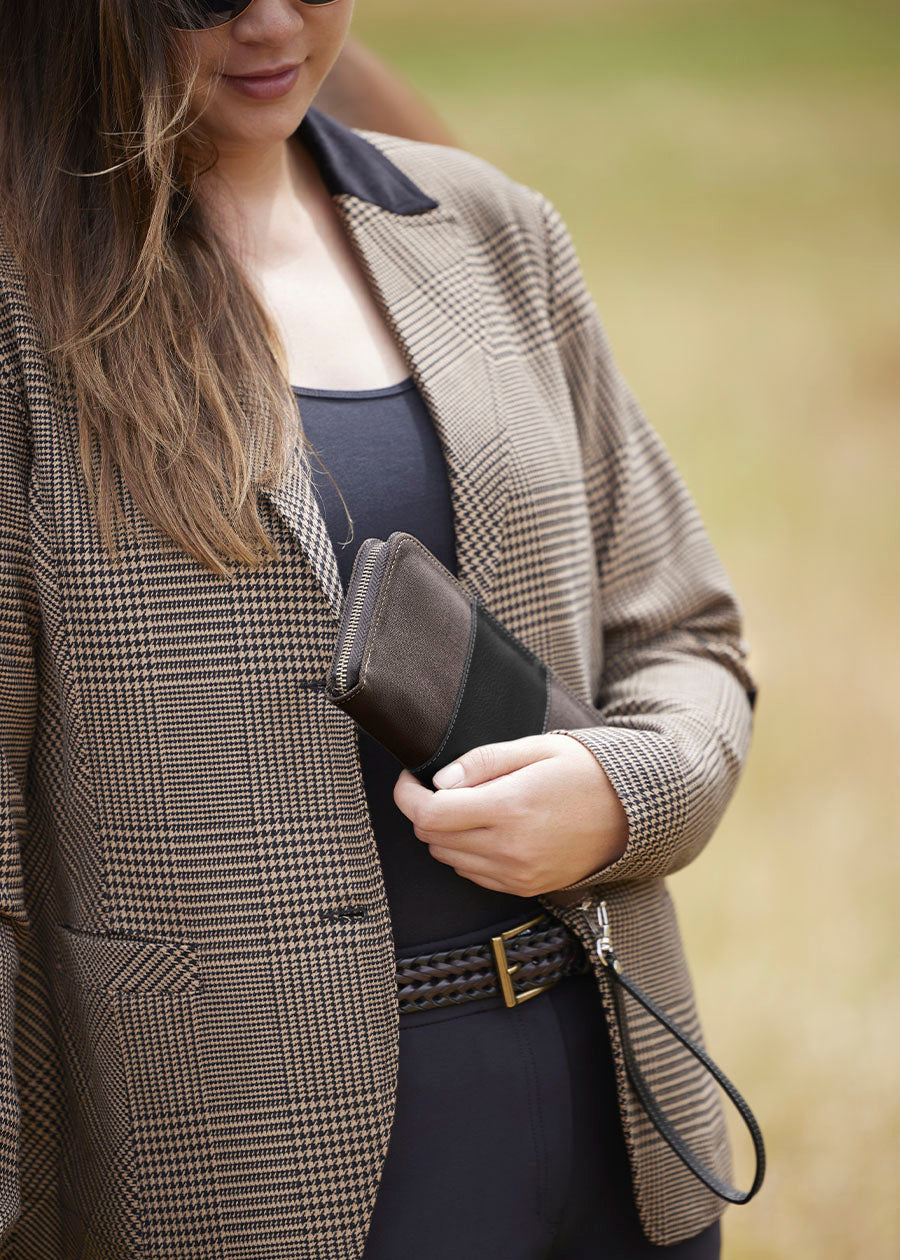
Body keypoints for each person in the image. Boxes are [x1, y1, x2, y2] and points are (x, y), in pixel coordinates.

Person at [0, 2, 758, 1257]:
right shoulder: (24, 312)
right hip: (242, 1171)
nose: (273, 23)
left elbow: (687, 637)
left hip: (616, 1120)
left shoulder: (493, 228)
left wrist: (623, 795)